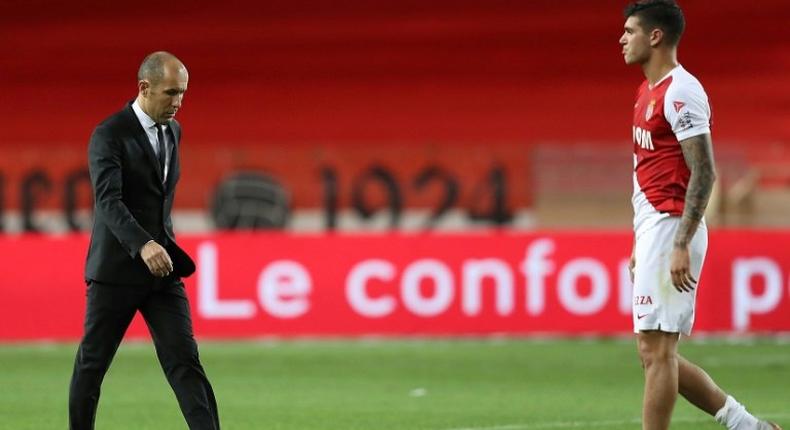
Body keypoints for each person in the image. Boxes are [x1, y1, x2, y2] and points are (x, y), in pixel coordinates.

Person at [619, 2, 781, 430]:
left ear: (655, 36)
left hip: (674, 226)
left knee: (658, 352)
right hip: (654, 225)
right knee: (652, 352)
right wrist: (639, 237)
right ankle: (746, 425)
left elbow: (705, 171)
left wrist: (677, 244)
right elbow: (647, 171)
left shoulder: (681, 90)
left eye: (630, 30)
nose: (622, 38)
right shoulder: (645, 91)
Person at [69, 51, 220, 430]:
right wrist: (143, 244)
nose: (178, 102)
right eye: (170, 92)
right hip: (117, 272)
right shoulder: (109, 134)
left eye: (183, 93)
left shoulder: (174, 130)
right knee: (93, 366)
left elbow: (158, 199)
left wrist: (161, 244)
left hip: (162, 273)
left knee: (185, 362)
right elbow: (108, 201)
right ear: (144, 87)